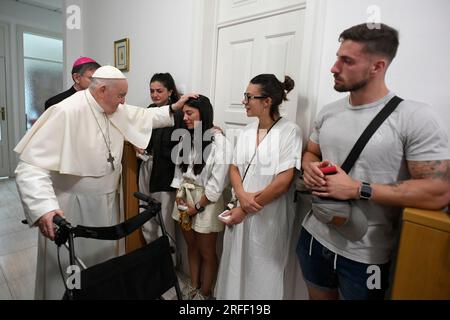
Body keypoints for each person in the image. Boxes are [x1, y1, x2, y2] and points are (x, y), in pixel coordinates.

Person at [14, 65, 196, 300]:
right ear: (101, 90)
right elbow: (30, 166)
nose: (123, 102)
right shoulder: (66, 111)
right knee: (73, 275)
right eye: (121, 96)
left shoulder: (112, 107)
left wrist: (173, 108)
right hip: (73, 208)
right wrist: (44, 208)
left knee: (104, 270)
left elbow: (142, 115)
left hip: (109, 205)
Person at [297, 23, 450, 300]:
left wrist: (358, 188)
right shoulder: (329, 112)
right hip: (314, 235)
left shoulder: (414, 117)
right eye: (336, 57)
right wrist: (309, 168)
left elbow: (439, 192)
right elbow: (311, 153)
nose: (334, 68)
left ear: (377, 67)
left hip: (366, 254)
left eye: (347, 61)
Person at [215, 74, 302, 300]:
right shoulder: (246, 131)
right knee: (235, 269)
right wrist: (241, 196)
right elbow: (234, 168)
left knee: (262, 274)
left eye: (249, 97)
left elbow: (284, 181)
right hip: (239, 213)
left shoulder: (290, 132)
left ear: (267, 101)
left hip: (268, 217)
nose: (244, 101)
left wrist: (244, 208)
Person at [171, 95, 232, 300]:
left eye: (190, 113)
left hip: (206, 201)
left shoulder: (220, 143)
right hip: (185, 198)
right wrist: (179, 197)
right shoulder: (185, 138)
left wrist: (196, 207)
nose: (185, 118)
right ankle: (193, 286)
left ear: (203, 114)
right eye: (183, 113)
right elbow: (179, 173)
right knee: (192, 245)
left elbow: (217, 184)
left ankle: (205, 293)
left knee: (207, 251)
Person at [136, 73, 183, 253]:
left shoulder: (178, 115)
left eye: (159, 91)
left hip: (166, 171)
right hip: (147, 166)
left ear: (170, 91)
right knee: (145, 213)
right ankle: (151, 257)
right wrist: (137, 146)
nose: (154, 95)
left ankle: (168, 264)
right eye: (151, 91)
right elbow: (140, 135)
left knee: (164, 218)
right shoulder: (149, 110)